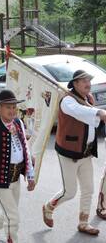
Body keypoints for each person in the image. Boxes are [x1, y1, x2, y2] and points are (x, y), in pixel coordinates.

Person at [42, 69, 106, 236]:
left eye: (89, 80)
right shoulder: (67, 101)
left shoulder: (89, 98)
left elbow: (93, 122)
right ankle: (49, 206)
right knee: (69, 192)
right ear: (75, 84)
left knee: (88, 189)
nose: (88, 83)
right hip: (69, 153)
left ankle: (83, 223)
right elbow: (81, 113)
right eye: (84, 80)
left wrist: (99, 115)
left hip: (86, 153)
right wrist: (99, 112)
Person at [0, 90, 35, 243]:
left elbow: (25, 149)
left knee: (8, 213)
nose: (12, 110)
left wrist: (30, 174)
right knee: (13, 218)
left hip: (15, 178)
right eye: (8, 107)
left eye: (14, 107)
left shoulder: (18, 123)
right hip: (0, 180)